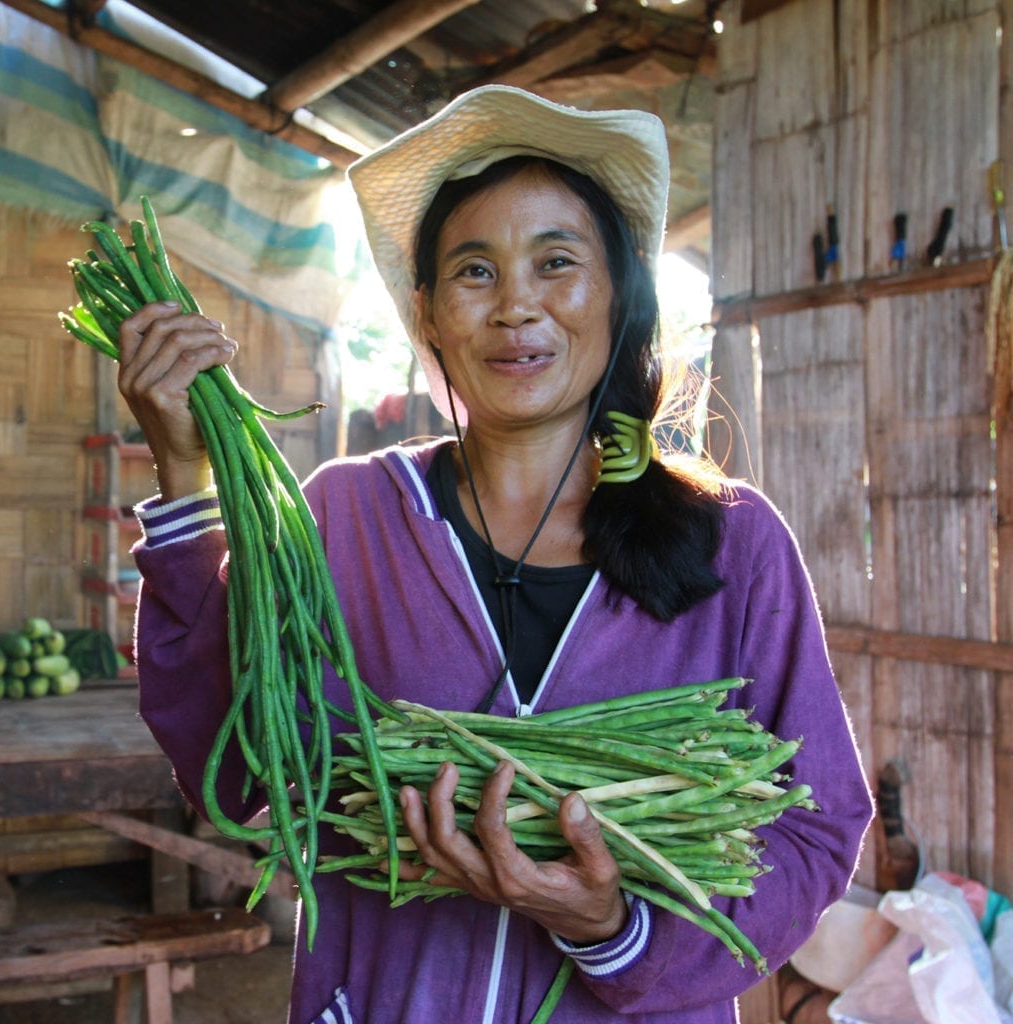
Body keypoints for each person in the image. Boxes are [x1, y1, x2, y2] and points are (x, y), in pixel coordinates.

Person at [114, 84, 872, 1023]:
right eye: (475, 272)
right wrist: (185, 472)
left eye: (557, 261)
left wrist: (615, 929)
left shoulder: (733, 543)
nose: (517, 305)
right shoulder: (347, 518)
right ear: (428, 314)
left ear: (620, 292)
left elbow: (818, 824)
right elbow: (237, 774)